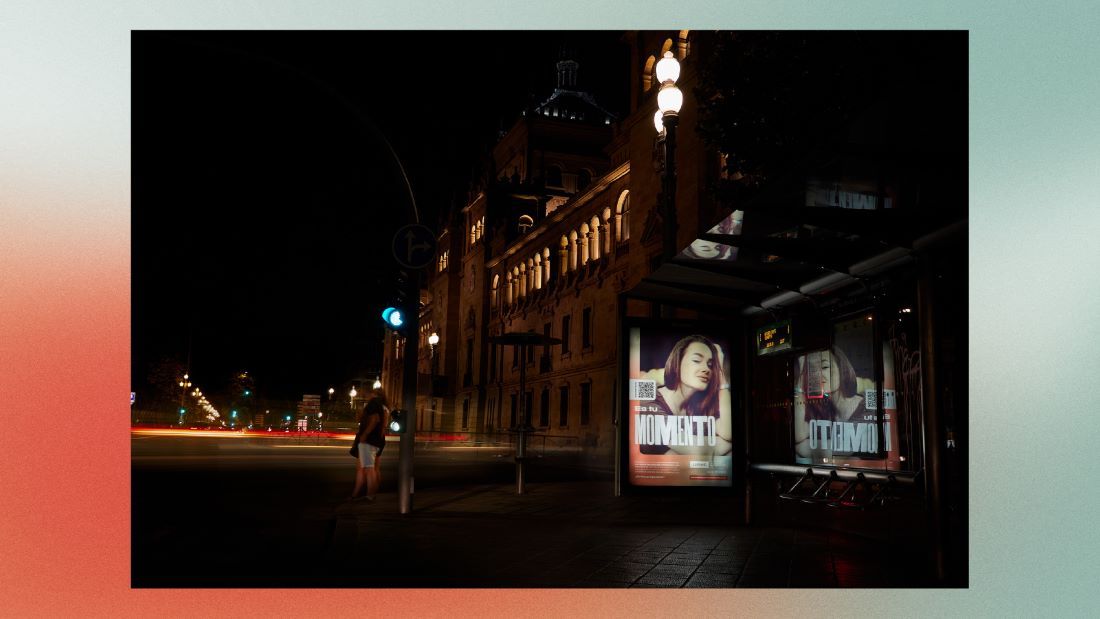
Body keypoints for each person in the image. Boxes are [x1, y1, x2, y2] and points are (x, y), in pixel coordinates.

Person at [638, 335, 733, 456]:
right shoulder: (647, 398)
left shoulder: (696, 407)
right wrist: (722, 446)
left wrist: (722, 380)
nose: (706, 369)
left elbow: (728, 432)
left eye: (710, 365)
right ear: (677, 362)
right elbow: (704, 451)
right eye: (696, 361)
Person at [792, 346, 872, 463]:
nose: (817, 375)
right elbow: (798, 435)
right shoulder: (824, 409)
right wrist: (800, 385)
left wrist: (804, 447)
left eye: (824, 367)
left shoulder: (867, 409)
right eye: (811, 370)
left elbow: (835, 454)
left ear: (842, 369)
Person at [349, 388, 388, 502]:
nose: (367, 395)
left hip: (369, 440)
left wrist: (365, 435)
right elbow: (382, 424)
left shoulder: (373, 404)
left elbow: (375, 420)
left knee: (368, 469)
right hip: (377, 440)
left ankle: (370, 495)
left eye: (369, 393)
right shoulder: (383, 407)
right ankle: (360, 494)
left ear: (374, 394)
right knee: (372, 468)